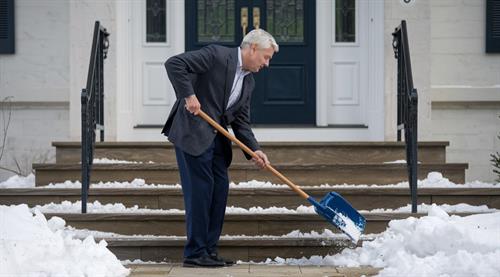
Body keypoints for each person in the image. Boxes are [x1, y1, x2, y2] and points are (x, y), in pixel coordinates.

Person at [162, 29, 279, 268]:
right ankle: (195, 253)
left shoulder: (249, 82)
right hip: (193, 132)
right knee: (200, 191)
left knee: (220, 190)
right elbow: (174, 64)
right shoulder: (216, 55)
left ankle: (209, 250)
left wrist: (254, 150)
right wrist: (189, 96)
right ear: (252, 48)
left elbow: (241, 122)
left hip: (216, 138)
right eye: (266, 57)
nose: (267, 64)